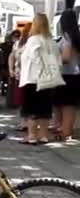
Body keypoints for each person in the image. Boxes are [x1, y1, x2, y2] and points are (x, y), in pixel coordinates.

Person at [19, 13, 61, 145]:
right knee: (44, 108)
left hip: (33, 79)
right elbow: (58, 61)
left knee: (31, 108)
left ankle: (31, 135)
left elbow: (33, 58)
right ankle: (43, 135)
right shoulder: (52, 41)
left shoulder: (33, 40)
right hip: (49, 79)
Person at [52, 9, 80, 142]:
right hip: (74, 75)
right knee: (68, 105)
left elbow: (66, 57)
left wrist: (53, 58)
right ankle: (64, 129)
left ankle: (65, 131)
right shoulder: (76, 36)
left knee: (66, 105)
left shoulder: (67, 37)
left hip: (67, 75)